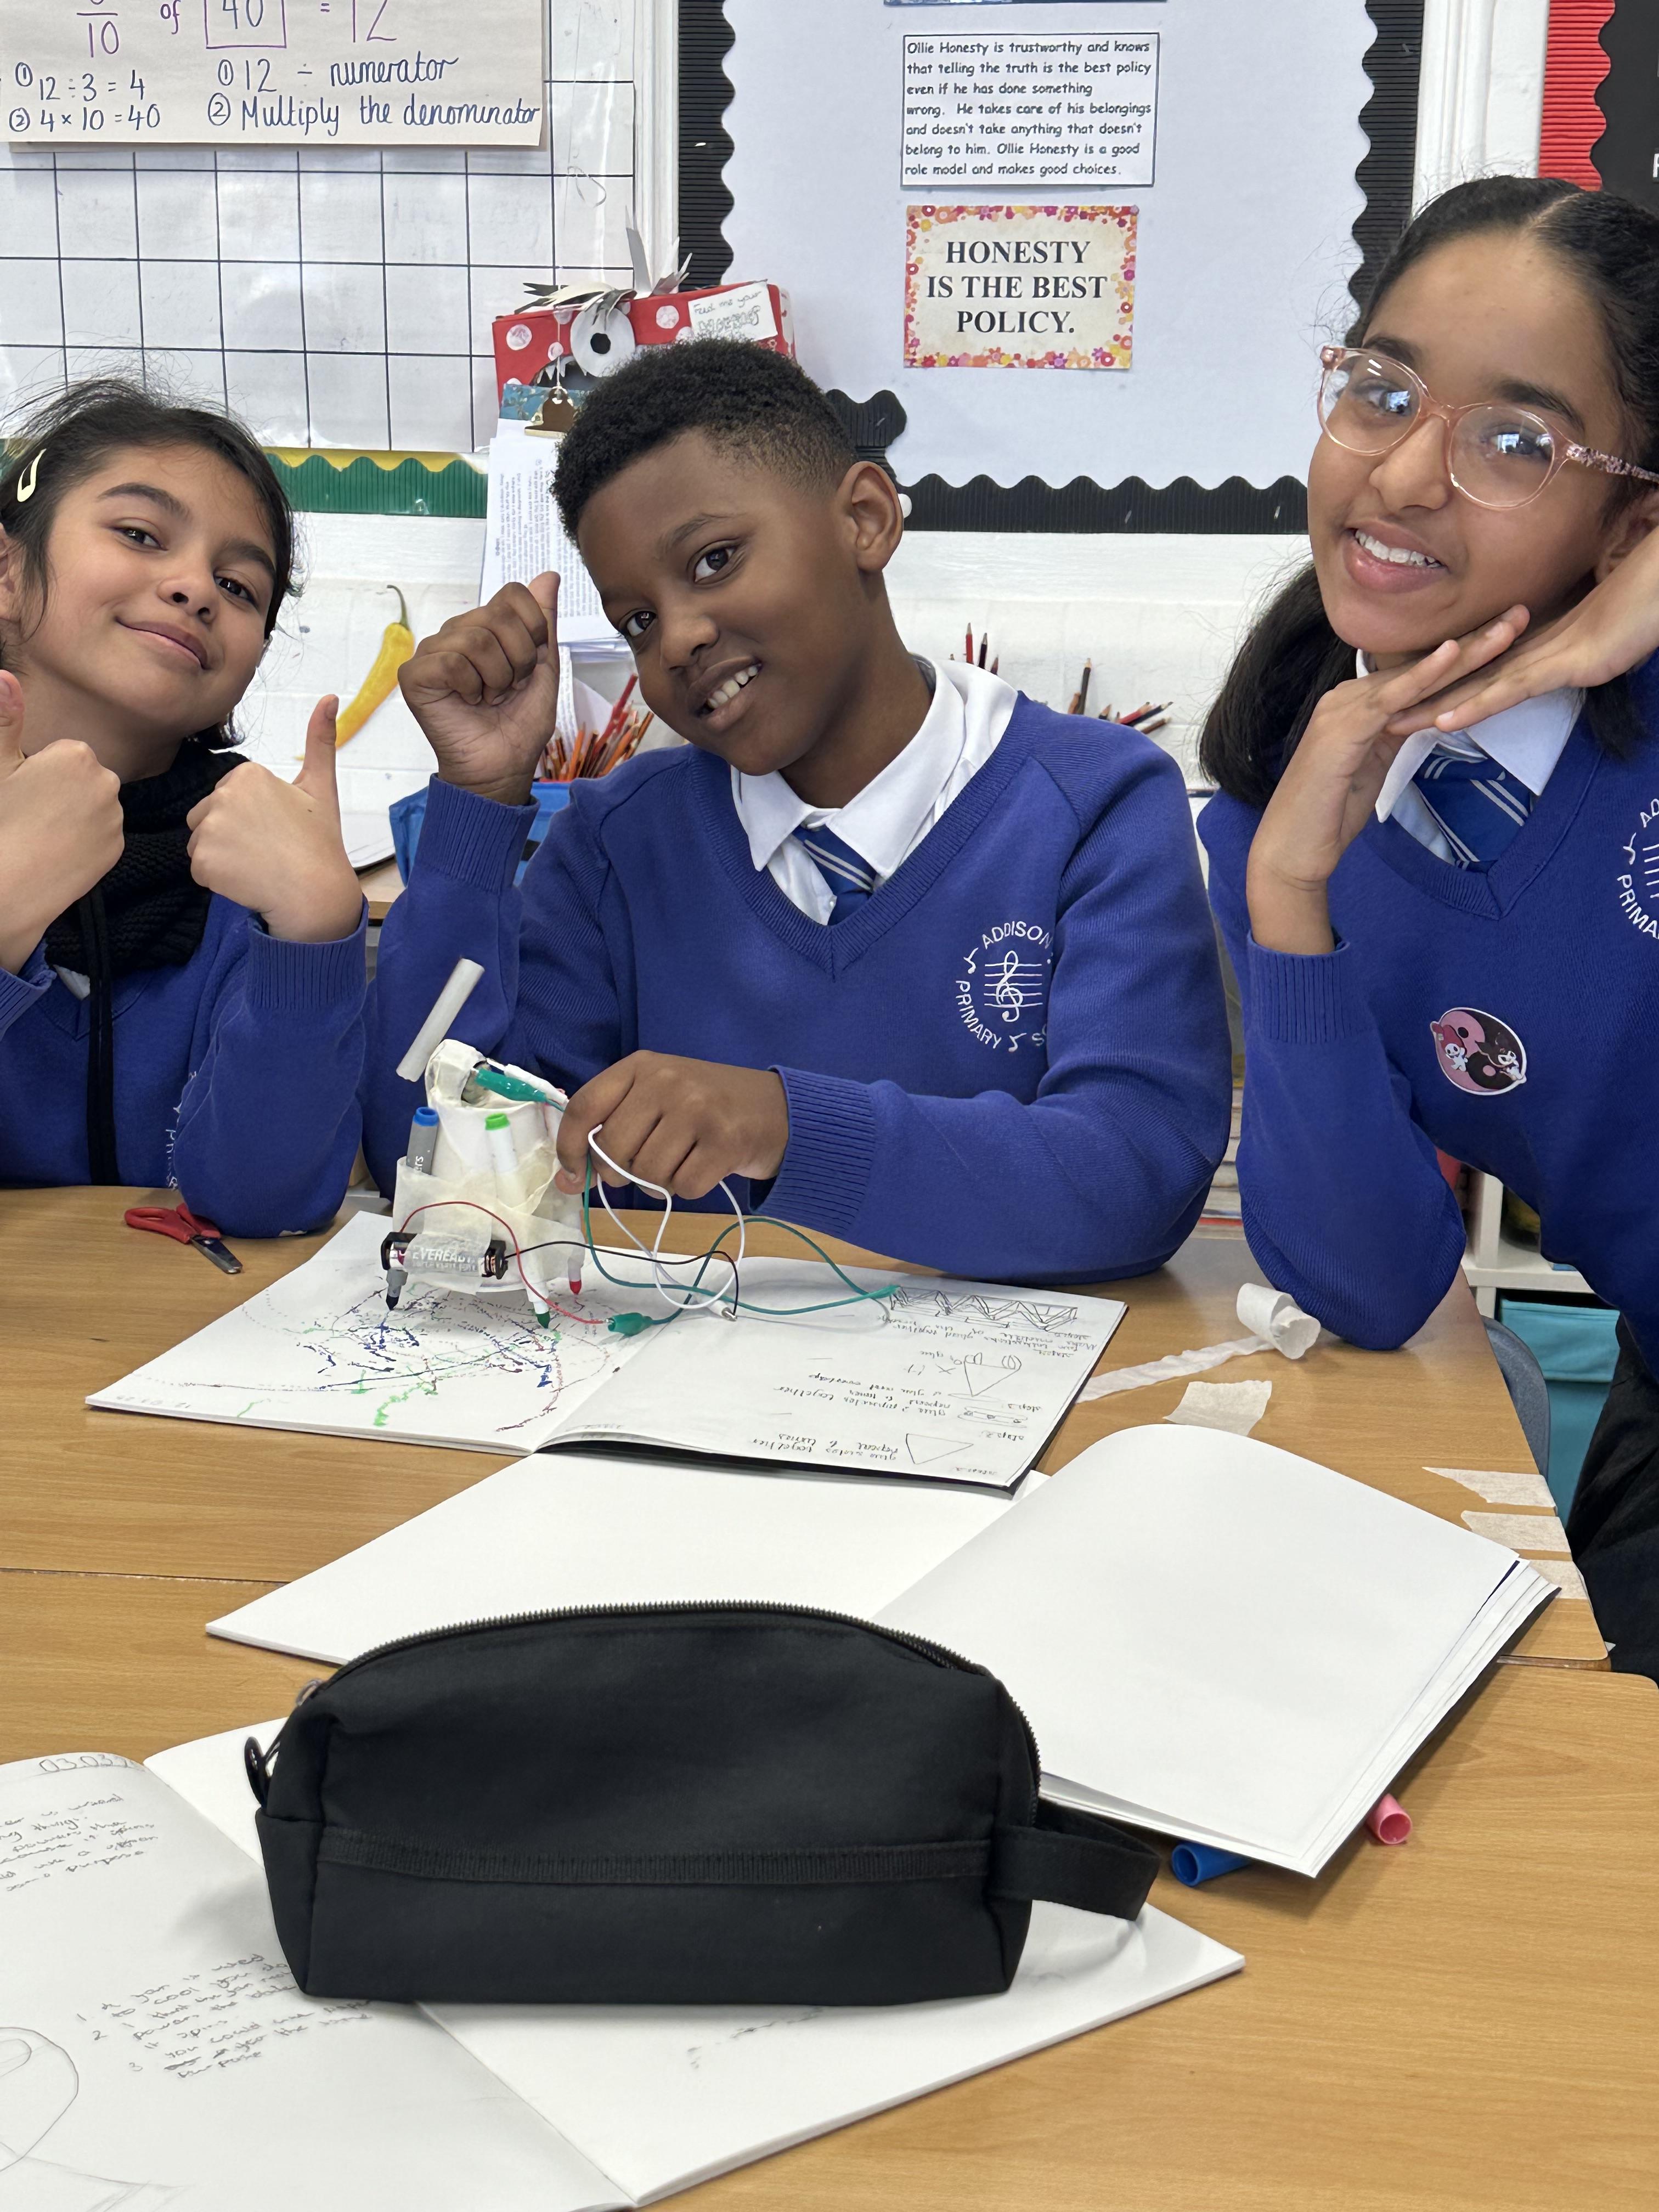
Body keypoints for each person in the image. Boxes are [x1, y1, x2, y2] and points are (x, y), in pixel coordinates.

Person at [365, 340, 1230, 1283]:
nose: (679, 638)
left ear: (866, 520)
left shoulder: (1095, 804)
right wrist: (477, 802)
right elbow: (431, 1161)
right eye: (638, 621)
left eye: (715, 561)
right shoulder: (616, 845)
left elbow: (1134, 1175)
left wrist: (782, 1126)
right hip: (678, 1365)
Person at [1197, 176, 1659, 1677]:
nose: (1399, 478)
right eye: (1382, 393)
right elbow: (1371, 1283)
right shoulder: (1282, 821)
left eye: (1516, 443)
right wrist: (1289, 903)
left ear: (1630, 518)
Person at [0, 380, 366, 1233]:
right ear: (8, 572)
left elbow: (264, 1202)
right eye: (139, 534)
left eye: (239, 586)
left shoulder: (247, 866)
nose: (196, 588)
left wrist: (315, 930)